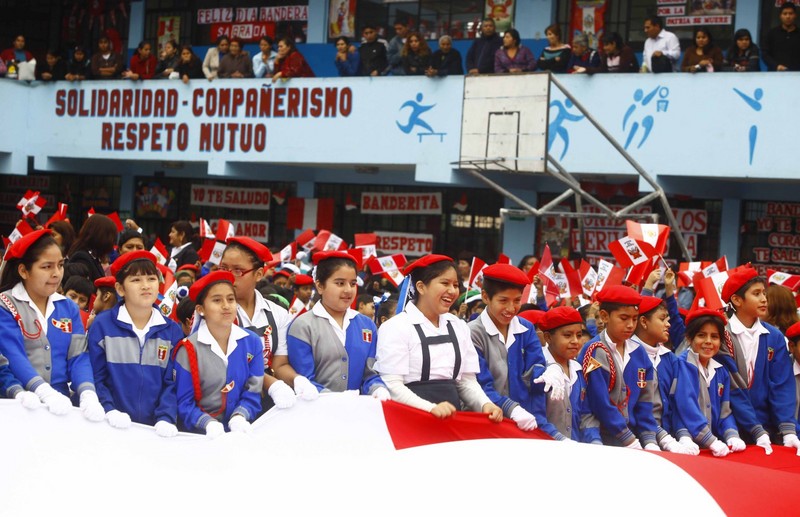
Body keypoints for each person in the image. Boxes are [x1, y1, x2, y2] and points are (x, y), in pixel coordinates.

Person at [374, 255, 503, 421]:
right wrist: (430, 408)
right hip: (408, 421)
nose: (452, 291)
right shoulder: (396, 327)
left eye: (455, 285)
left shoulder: (459, 326)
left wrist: (484, 403)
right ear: (421, 287)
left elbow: (466, 381)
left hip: (450, 420)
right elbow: (392, 385)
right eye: (445, 283)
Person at [0, 229, 105, 421]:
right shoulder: (6, 305)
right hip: (19, 403)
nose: (57, 274)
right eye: (47, 267)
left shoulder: (68, 308)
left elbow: (78, 356)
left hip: (61, 407)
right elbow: (13, 354)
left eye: (60, 265)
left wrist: (87, 392)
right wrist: (43, 391)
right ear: (23, 271)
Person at [87, 251, 184, 436]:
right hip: (109, 426)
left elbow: (172, 382)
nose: (146, 286)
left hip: (156, 432)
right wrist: (109, 409)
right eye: (136, 280)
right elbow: (96, 376)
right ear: (120, 289)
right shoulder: (102, 325)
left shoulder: (172, 330)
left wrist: (166, 417)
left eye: (151, 278)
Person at [218, 237, 311, 410]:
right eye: (223, 268)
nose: (227, 276)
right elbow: (228, 363)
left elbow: (279, 364)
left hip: (265, 402)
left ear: (259, 274)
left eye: (238, 270)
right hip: (223, 400)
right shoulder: (213, 310)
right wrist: (273, 385)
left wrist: (297, 380)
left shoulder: (278, 314)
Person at [716, 266, 799, 453]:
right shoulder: (722, 335)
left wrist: (788, 430)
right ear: (737, 300)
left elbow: (782, 385)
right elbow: (733, 388)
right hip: (730, 427)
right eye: (756, 294)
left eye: (764, 293)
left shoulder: (774, 336)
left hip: (768, 428)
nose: (764, 299)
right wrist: (756, 430)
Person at [287, 251, 389, 398]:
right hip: (314, 412)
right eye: (340, 283)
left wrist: (378, 388)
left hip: (356, 413)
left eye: (353, 283)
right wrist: (336, 400)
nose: (348, 290)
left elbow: (370, 374)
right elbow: (304, 380)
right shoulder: (302, 326)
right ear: (320, 286)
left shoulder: (367, 325)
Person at [173, 271, 263, 436]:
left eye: (230, 299)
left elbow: (253, 390)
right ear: (200, 309)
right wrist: (207, 423)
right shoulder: (187, 350)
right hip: (201, 437)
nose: (226, 305)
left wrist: (240, 415)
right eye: (217, 300)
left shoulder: (252, 342)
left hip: (241, 432)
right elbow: (184, 403)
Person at [470, 264, 554, 433]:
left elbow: (535, 377)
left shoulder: (527, 328)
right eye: (503, 301)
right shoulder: (472, 333)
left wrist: (550, 374)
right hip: (486, 422)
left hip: (527, 423)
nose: (511, 309)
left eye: (517, 301)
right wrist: (512, 409)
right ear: (485, 297)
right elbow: (480, 385)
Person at [578, 285, 659, 449]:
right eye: (624, 318)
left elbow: (645, 400)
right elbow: (599, 402)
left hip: (633, 434)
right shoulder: (595, 350)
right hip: (599, 435)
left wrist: (650, 439)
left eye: (635, 318)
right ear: (604, 316)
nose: (630, 325)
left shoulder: (639, 352)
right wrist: (629, 440)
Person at [673, 308, 748, 457]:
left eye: (714, 336)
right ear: (689, 338)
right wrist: (708, 439)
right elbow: (685, 407)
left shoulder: (721, 371)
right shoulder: (680, 365)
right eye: (701, 335)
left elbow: (725, 411)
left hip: (711, 446)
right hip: (685, 443)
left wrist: (732, 434)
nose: (708, 341)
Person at [632, 296, 697, 454]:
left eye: (668, 319)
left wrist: (683, 435)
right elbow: (634, 409)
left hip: (671, 439)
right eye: (662, 319)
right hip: (637, 442)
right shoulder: (628, 355)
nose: (668, 323)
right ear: (644, 322)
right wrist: (662, 438)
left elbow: (679, 403)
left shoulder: (670, 359)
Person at [538, 306, 587, 441]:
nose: (575, 341)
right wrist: (561, 440)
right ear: (548, 337)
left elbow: (586, 415)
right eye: (567, 335)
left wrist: (594, 440)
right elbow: (536, 415)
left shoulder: (579, 369)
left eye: (579, 335)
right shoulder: (538, 369)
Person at [67, 214, 118, 282]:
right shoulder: (82, 258)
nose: (113, 241)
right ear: (100, 235)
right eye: (111, 236)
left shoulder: (94, 258)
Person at [762, 2, 800, 71]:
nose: (788, 16)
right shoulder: (771, 34)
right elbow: (765, 54)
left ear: (795, 15)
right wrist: (776, 66)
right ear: (780, 16)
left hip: (796, 75)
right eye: (785, 14)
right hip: (774, 74)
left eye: (790, 13)